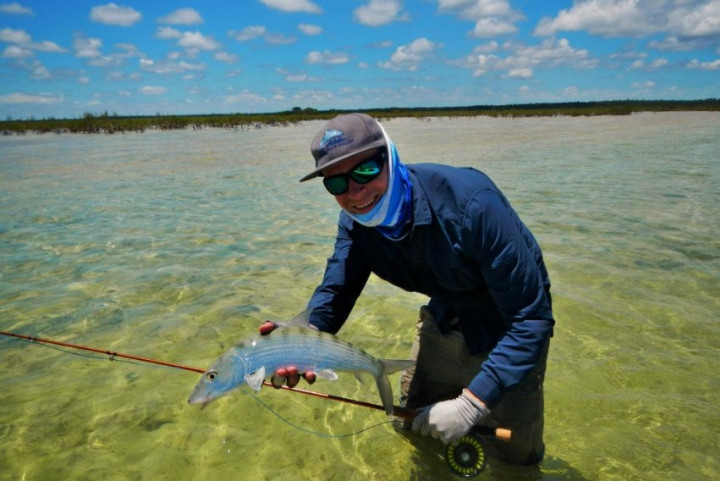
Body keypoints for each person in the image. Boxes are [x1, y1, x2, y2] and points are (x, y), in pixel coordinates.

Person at [262, 113, 554, 466]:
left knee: (515, 460)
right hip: (444, 317)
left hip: (510, 333)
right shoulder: (356, 222)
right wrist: (303, 337)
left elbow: (531, 319)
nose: (355, 193)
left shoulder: (474, 205)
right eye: (336, 183)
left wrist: (472, 402)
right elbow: (338, 288)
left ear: (389, 155)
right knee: (414, 427)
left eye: (365, 171)